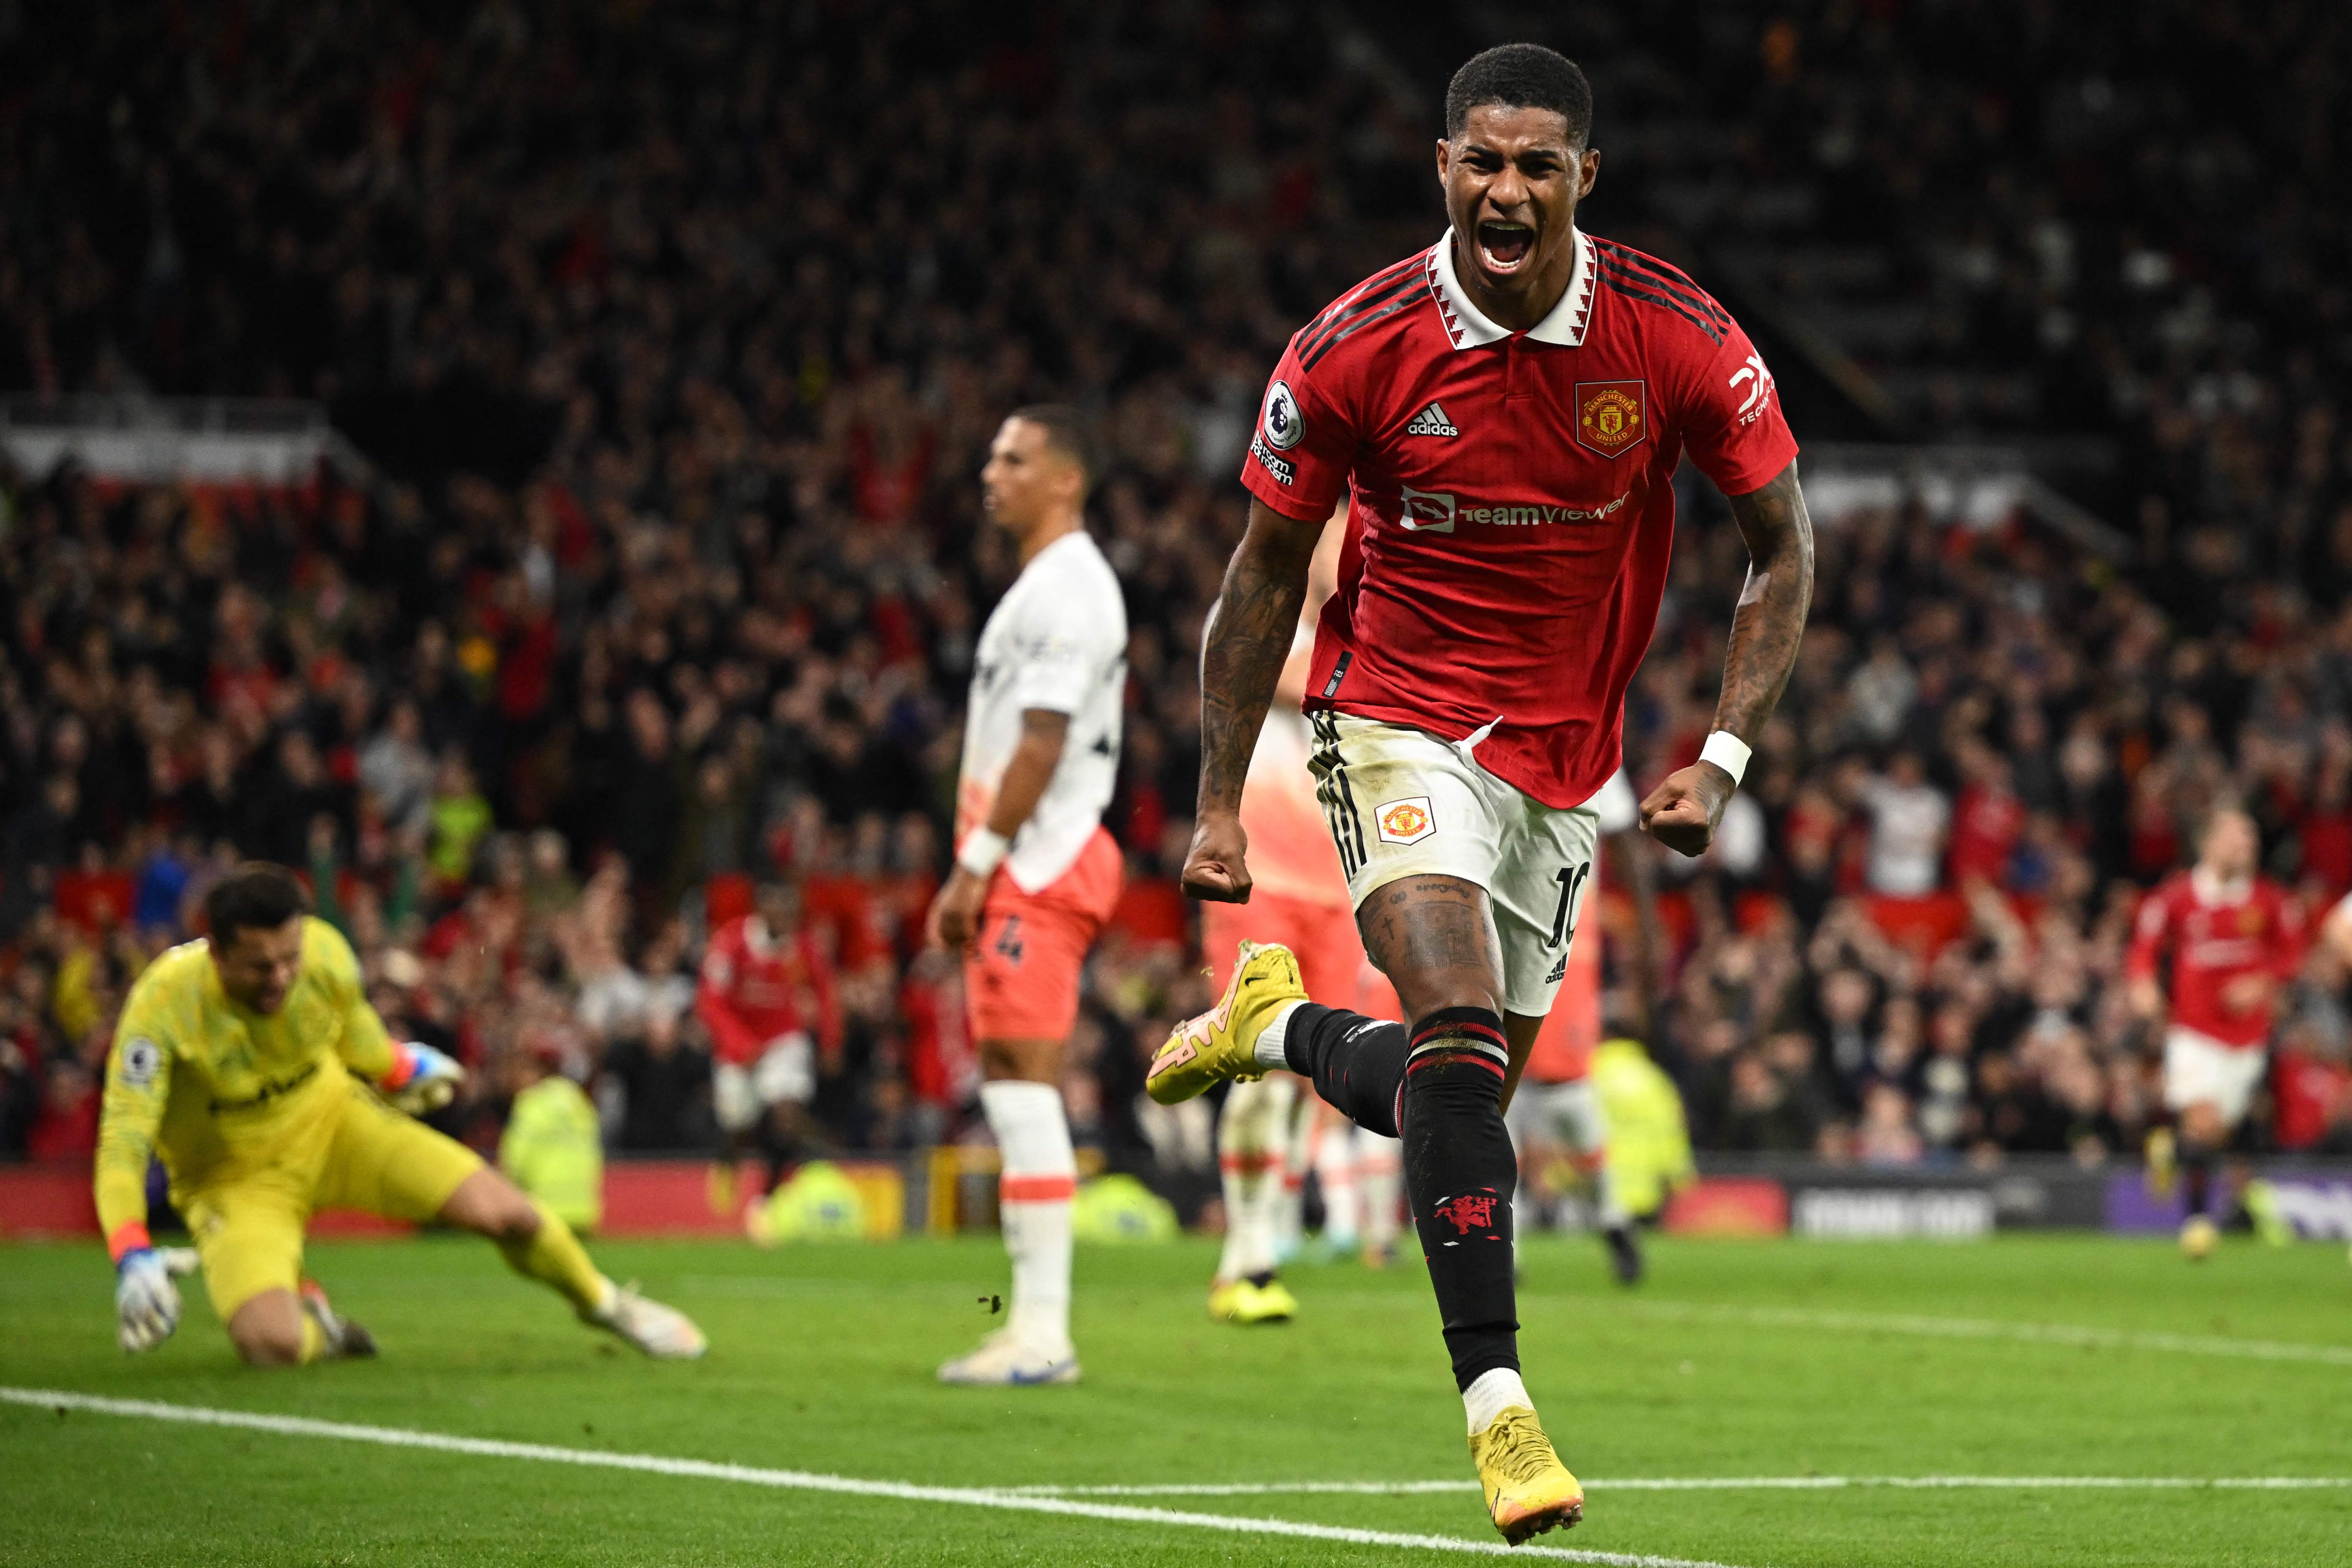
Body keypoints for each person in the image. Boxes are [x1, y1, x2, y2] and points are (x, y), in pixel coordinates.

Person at [1150, 44, 1812, 1544]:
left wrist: (1721, 755)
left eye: (1536, 163)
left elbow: (1785, 545)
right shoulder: (1354, 344)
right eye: (1480, 159)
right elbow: (1260, 578)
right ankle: (1498, 1407)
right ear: (1441, 165)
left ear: (1586, 177)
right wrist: (1209, 802)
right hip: (1388, 721)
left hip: (1566, 769)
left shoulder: (1675, 338)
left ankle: (1286, 1028)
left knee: (1465, 1091)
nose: (1504, 187)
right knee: (1451, 1019)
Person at [97, 863, 704, 1365]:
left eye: (290, 956)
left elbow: (356, 1037)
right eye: (262, 965)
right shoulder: (162, 1008)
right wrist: (132, 1250)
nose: (283, 975)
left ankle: (607, 1302)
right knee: (270, 1345)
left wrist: (401, 1069)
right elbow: (123, 1143)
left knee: (511, 1214)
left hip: (337, 1124)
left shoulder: (324, 954)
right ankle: (323, 1329)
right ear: (218, 953)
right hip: (235, 1180)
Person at [925, 407, 1127, 1386]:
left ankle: (1042, 1329)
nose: (987, 470)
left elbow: (1042, 742)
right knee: (1010, 1079)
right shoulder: (1039, 589)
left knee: (1023, 1076)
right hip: (1023, 860)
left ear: (1064, 479)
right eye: (989, 453)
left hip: (1039, 865)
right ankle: (1028, 1322)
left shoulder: (1070, 591)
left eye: (1012, 457)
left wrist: (978, 862)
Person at [1199, 508, 1404, 1325]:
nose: (1346, 544)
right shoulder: (1250, 603)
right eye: (1335, 529)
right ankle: (1244, 1256)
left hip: (1343, 888)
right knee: (1253, 1057)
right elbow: (1272, 678)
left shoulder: (1376, 624)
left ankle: (1266, 1233)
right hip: (1261, 877)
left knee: (1304, 1080)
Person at [2126, 807, 2304, 1259]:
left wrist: (2260, 983)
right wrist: (2143, 984)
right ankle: (2197, 1222)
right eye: (2235, 837)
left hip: (2247, 1036)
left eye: (2249, 837)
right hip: (2193, 1030)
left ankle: (2168, 1152)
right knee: (2202, 1119)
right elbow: (2144, 946)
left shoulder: (2269, 900)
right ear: (2208, 844)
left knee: (2214, 1134)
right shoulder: (2177, 897)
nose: (2246, 845)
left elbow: (2290, 956)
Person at [1504, 769, 1654, 1283]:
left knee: (1567, 1094)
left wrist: (1646, 933)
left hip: (1562, 934)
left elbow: (1624, 845)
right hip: (1491, 923)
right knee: (1491, 1089)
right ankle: (1503, 1253)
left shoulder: (1593, 747)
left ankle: (1611, 1217)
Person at [696, 877, 839, 1158]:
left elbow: (825, 993)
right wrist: (739, 1043)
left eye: (792, 909)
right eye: (780, 908)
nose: (788, 916)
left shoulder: (804, 946)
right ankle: (737, 1163)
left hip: (783, 1038)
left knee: (786, 1106)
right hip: (739, 1046)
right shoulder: (731, 943)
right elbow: (710, 1001)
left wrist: (830, 1040)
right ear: (761, 907)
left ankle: (794, 1170)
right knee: (738, 1120)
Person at [498, 1040, 605, 1234]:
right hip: (584, 1210)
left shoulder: (532, 1103)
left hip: (543, 1212)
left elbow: (516, 1160)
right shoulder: (579, 1101)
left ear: (537, 1071)